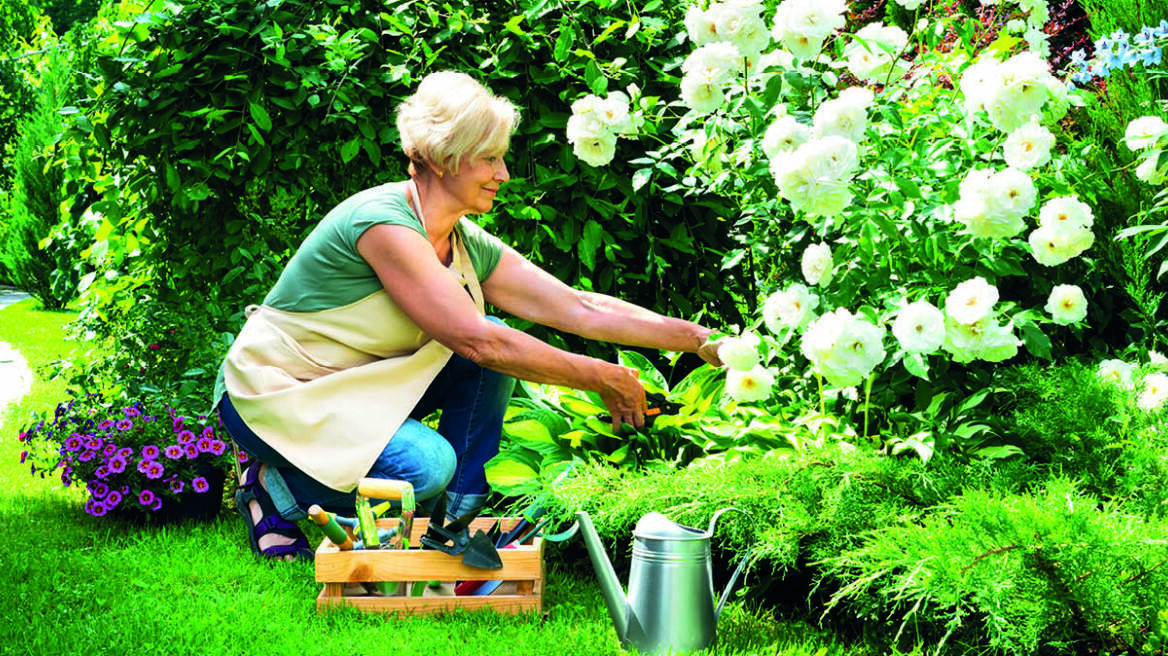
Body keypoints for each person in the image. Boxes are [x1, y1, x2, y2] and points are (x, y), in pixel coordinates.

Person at [213, 71, 722, 561]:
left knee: (494, 347)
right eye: (490, 158)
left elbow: (577, 306)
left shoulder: (459, 239)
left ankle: (452, 525)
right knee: (425, 467)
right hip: (279, 393)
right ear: (442, 158)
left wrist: (699, 339)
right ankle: (272, 485)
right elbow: (478, 342)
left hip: (358, 391)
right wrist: (601, 377)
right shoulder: (381, 224)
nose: (503, 174)